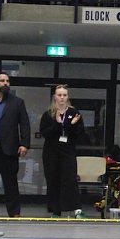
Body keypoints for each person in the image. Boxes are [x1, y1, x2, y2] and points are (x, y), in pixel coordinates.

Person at [39, 85, 85, 219]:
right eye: (59, 95)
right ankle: (55, 210)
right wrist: (57, 123)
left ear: (68, 97)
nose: (62, 98)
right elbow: (45, 133)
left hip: (68, 151)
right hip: (51, 152)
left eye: (64, 95)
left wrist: (72, 124)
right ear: (55, 97)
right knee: (53, 180)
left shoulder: (74, 113)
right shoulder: (48, 114)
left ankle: (77, 209)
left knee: (70, 179)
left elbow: (80, 133)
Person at [0, 73, 30, 218]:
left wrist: (25, 144)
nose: (5, 83)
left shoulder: (17, 102)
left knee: (11, 183)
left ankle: (14, 212)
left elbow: (25, 124)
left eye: (7, 81)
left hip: (9, 149)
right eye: (2, 81)